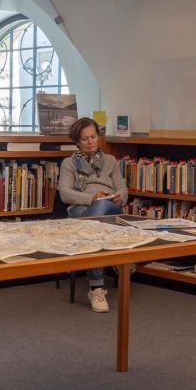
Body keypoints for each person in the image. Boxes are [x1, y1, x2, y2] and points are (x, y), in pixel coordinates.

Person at [58, 117, 128, 313]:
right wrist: (92, 198)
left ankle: (96, 286)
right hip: (80, 209)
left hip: (111, 208)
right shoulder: (69, 163)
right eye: (85, 138)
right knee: (96, 215)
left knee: (99, 211)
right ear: (77, 142)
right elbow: (65, 193)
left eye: (93, 136)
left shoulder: (111, 161)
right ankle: (115, 261)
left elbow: (123, 189)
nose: (90, 141)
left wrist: (118, 197)